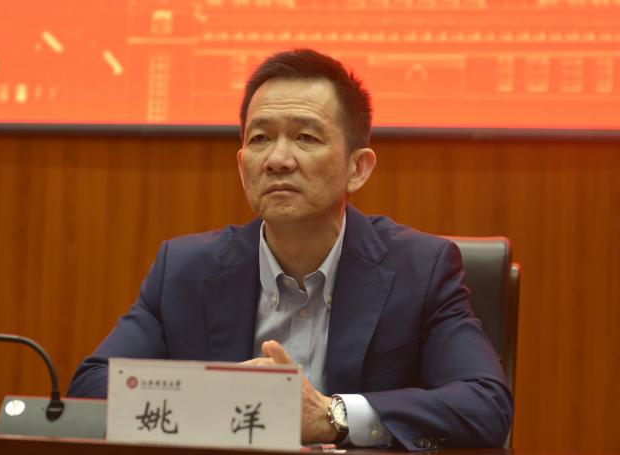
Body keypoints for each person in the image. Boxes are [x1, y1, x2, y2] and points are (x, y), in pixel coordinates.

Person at [69, 49, 512, 450]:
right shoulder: (185, 269)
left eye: (306, 138)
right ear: (242, 166)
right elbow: (91, 389)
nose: (277, 159)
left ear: (358, 168)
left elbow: (485, 404)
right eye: (260, 138)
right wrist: (223, 399)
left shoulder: (421, 269)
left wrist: (332, 416)